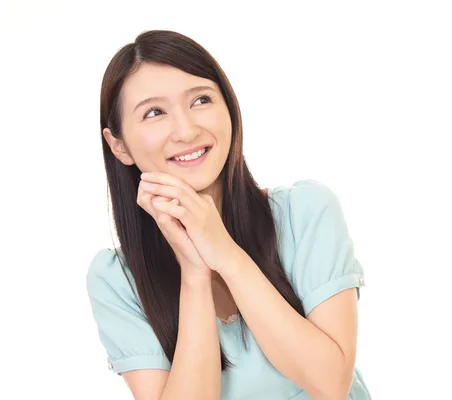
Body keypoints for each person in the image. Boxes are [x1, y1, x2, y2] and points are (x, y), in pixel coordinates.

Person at [86, 29, 371, 400]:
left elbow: (331, 383)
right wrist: (195, 272)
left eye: (201, 100)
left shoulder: (305, 213)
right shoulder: (117, 280)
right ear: (119, 145)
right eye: (155, 112)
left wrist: (226, 253)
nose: (187, 130)